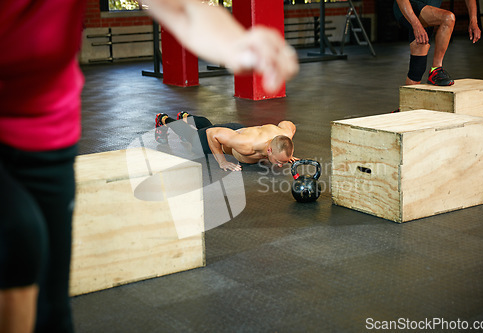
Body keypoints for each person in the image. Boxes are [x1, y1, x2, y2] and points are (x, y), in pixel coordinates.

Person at [0, 0, 299, 332]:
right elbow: (217, 137)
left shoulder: (280, 136)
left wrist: (237, 42)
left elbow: (182, 7)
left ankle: (178, 121)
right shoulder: (246, 144)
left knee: (51, 304)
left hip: (48, 131)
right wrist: (223, 164)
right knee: (21, 236)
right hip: (214, 138)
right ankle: (173, 123)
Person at [155, 112, 298, 171]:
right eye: (279, 161)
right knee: (193, 138)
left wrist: (285, 155)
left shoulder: (284, 136)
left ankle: (186, 116)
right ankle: (163, 119)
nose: (280, 165)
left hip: (236, 132)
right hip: (225, 137)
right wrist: (221, 161)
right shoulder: (246, 145)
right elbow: (212, 133)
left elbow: (289, 124)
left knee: (208, 125)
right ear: (269, 150)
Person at [394, 0, 481, 86]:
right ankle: (436, 69)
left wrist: (473, 20)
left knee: (417, 71)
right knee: (448, 18)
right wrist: (416, 25)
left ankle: (409, 99)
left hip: (427, 12)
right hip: (408, 8)